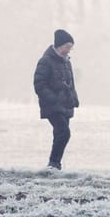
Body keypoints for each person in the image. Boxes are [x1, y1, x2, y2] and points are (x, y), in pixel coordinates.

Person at [33, 28, 78, 170]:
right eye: (67, 47)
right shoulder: (45, 61)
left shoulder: (67, 62)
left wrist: (74, 98)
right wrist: (52, 99)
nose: (69, 50)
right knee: (64, 133)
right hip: (52, 106)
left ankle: (54, 166)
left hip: (66, 105)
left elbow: (71, 83)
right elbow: (39, 84)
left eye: (71, 47)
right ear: (60, 45)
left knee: (60, 134)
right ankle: (54, 164)